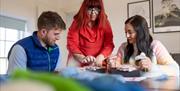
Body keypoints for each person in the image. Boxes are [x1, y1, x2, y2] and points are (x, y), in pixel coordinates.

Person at [108, 15, 179, 76]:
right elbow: (116, 66)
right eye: (125, 32)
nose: (127, 36)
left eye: (130, 32)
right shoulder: (123, 47)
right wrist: (113, 65)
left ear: (140, 32)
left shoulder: (155, 45)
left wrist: (152, 67)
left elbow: (175, 69)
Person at [67, 0, 114, 67]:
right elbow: (72, 43)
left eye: (97, 9)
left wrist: (100, 57)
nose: (93, 13)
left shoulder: (105, 23)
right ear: (84, 9)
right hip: (79, 59)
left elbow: (109, 44)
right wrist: (82, 57)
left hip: (98, 59)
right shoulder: (77, 22)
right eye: (90, 9)